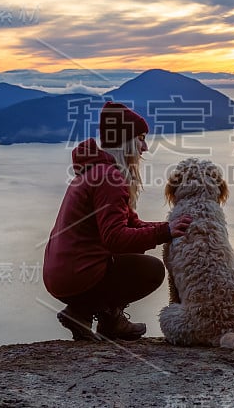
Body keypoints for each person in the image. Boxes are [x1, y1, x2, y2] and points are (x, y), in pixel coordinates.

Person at [43, 101, 192, 341]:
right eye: (141, 138)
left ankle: (107, 320)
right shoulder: (109, 178)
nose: (145, 147)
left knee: (127, 258)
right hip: (77, 275)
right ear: (127, 141)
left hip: (62, 272)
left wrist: (170, 227)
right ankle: (82, 311)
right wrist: (165, 231)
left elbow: (131, 224)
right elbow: (115, 239)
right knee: (151, 270)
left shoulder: (97, 171)